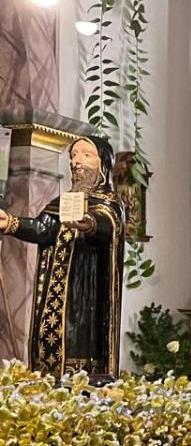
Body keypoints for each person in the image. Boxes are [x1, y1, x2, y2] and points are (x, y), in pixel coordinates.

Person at [0, 136, 126, 378]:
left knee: (79, 338)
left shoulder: (109, 203)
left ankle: (84, 375)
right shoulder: (61, 203)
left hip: (87, 292)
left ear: (103, 164)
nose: (77, 161)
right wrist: (11, 223)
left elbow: (108, 225)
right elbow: (43, 229)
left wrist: (89, 223)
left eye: (86, 155)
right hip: (55, 293)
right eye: (73, 155)